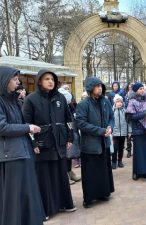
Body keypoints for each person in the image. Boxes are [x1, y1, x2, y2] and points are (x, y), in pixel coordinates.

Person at [22, 69, 76, 219]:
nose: (50, 81)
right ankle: (45, 209)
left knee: (61, 175)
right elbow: (25, 124)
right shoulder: (30, 99)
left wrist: (70, 137)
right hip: (42, 144)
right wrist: (33, 144)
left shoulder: (60, 98)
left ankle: (65, 203)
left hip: (59, 143)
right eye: (46, 79)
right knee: (44, 178)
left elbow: (69, 119)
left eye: (52, 79)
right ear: (39, 81)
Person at [0, 66, 45, 225]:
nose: (18, 82)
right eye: (14, 79)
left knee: (28, 192)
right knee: (15, 197)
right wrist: (28, 128)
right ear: (4, 80)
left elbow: (20, 123)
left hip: (23, 151)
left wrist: (32, 142)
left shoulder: (13, 100)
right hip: (12, 156)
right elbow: (2, 127)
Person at [75, 77, 115, 208]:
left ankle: (103, 193)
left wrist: (110, 127)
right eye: (97, 86)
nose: (100, 88)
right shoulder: (83, 104)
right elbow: (81, 123)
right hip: (90, 145)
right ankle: (89, 198)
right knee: (90, 173)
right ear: (90, 88)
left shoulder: (106, 102)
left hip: (104, 143)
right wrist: (100, 131)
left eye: (101, 86)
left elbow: (111, 117)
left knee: (103, 170)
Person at [126, 82, 146, 181]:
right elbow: (131, 117)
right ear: (135, 90)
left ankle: (145, 171)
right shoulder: (132, 101)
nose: (142, 90)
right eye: (140, 89)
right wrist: (144, 113)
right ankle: (136, 172)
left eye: (143, 88)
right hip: (138, 130)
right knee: (138, 153)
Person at [58, 85, 81, 185]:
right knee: (64, 156)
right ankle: (64, 176)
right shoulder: (59, 109)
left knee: (70, 156)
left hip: (72, 133)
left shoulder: (71, 106)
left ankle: (70, 172)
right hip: (63, 135)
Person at [111, 94, 131, 169]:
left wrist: (129, 131)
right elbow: (109, 121)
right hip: (115, 133)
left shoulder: (124, 111)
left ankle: (120, 161)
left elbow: (128, 122)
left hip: (123, 133)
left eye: (120, 102)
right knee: (114, 148)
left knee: (121, 148)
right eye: (117, 101)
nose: (119, 103)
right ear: (114, 103)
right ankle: (113, 161)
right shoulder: (112, 111)